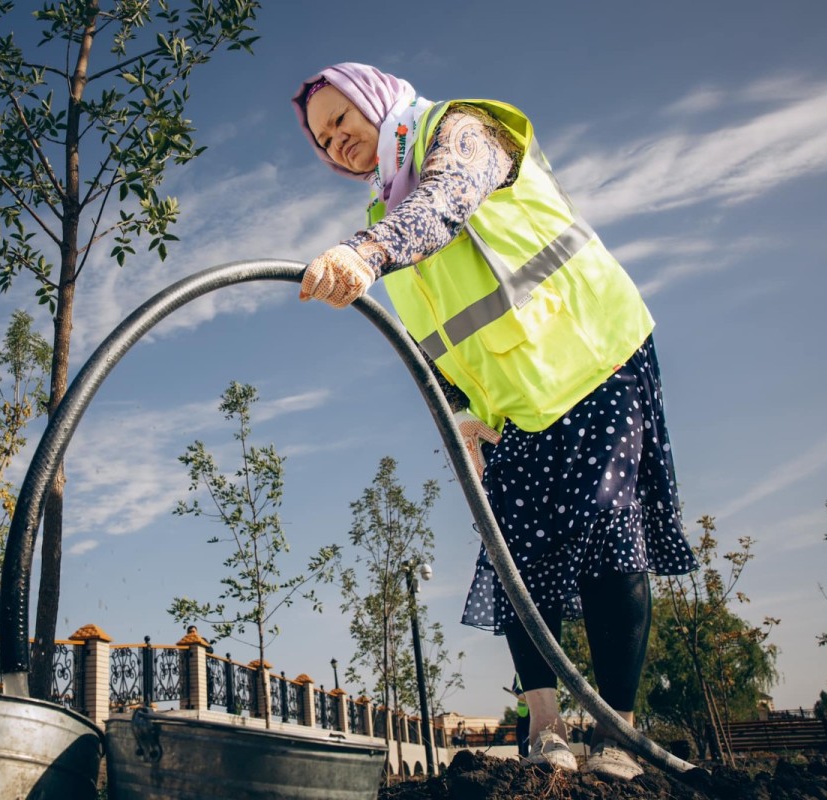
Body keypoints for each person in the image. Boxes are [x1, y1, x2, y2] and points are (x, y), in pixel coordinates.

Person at [291, 63, 699, 781]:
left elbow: (451, 198)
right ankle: (546, 731)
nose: (337, 142)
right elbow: (434, 330)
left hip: (594, 355)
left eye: (343, 118)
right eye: (323, 139)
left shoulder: (463, 130)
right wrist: (462, 416)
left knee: (607, 529)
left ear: (375, 99)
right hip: (513, 408)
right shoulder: (386, 212)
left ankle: (619, 734)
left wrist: (370, 252)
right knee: (515, 558)